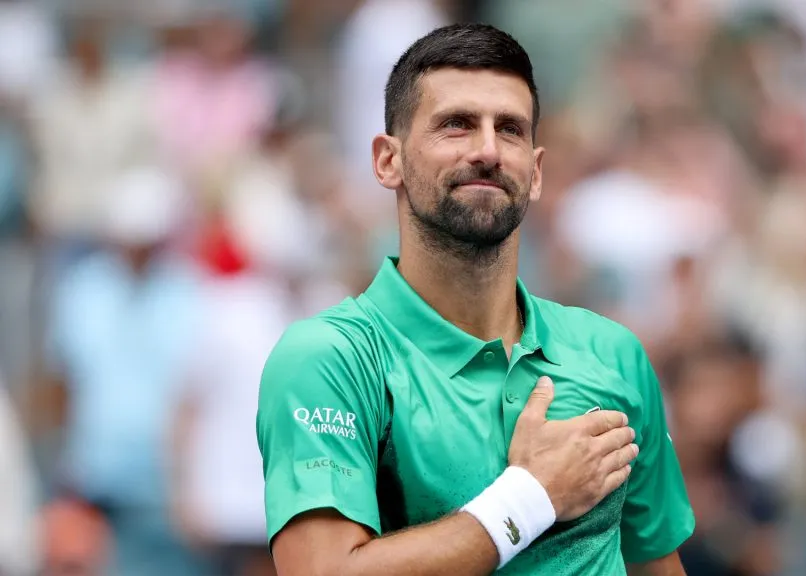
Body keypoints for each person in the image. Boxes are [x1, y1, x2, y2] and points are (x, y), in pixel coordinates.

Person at [257, 23, 694, 575]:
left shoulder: (615, 353)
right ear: (387, 160)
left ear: (535, 173)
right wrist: (530, 499)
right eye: (456, 125)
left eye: (509, 129)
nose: (487, 150)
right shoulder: (329, 358)